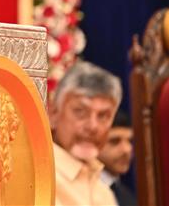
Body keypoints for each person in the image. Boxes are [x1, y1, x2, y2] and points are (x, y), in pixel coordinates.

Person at [50, 61, 120, 206]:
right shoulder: (38, 178)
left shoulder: (104, 193)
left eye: (103, 116)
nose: (92, 126)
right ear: (53, 113)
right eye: (80, 112)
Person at [98, 110, 137, 206]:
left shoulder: (128, 196)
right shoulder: (79, 191)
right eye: (114, 141)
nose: (127, 150)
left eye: (130, 141)